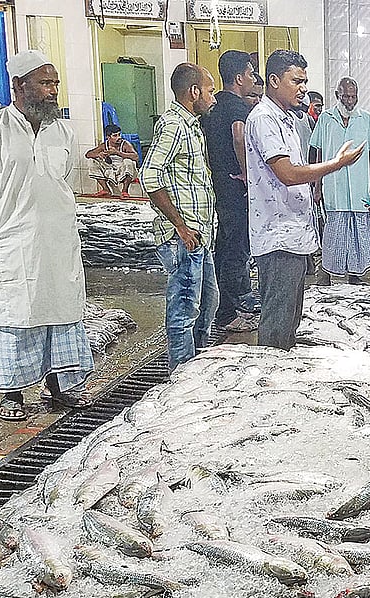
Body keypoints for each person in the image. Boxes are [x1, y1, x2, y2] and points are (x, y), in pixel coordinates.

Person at [0, 51, 93, 422]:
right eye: (45, 83)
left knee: (59, 313)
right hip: (11, 244)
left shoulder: (63, 131)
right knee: (16, 317)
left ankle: (60, 387)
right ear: (19, 86)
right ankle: (13, 395)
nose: (53, 91)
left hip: (56, 242)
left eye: (55, 83)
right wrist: (5, 220)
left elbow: (62, 179)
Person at [245, 49, 364, 350]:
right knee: (277, 322)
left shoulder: (286, 119)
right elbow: (287, 173)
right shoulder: (264, 119)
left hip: (294, 234)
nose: (303, 88)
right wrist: (336, 164)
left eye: (305, 81)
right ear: (274, 81)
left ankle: (280, 373)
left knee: (289, 320)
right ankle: (266, 382)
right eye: (296, 81)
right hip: (278, 238)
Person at [141, 63, 219, 371]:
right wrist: (180, 226)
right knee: (184, 308)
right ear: (194, 92)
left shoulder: (191, 125)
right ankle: (182, 374)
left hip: (198, 236)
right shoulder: (173, 125)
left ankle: (195, 363)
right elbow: (149, 175)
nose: (213, 98)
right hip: (183, 238)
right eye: (210, 91)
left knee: (208, 301)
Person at [203, 50, 259, 335]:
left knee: (223, 249)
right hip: (234, 188)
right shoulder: (238, 107)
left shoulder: (213, 107)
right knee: (235, 252)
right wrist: (247, 172)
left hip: (219, 185)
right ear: (239, 77)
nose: (252, 78)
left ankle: (224, 308)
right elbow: (239, 136)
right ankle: (227, 313)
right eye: (250, 73)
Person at [311, 76, 370, 283]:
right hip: (334, 186)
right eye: (346, 96)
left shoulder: (366, 119)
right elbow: (319, 152)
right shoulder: (326, 119)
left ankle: (355, 275)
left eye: (354, 96)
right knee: (333, 233)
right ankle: (324, 275)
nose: (350, 101)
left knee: (358, 233)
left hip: (359, 186)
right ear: (337, 96)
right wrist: (317, 186)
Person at [85, 124, 139, 198]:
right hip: (110, 169)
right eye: (115, 135)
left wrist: (117, 153)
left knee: (129, 162)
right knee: (92, 161)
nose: (119, 137)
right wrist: (98, 155)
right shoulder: (104, 145)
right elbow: (88, 154)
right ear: (108, 137)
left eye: (119, 134)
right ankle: (106, 189)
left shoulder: (125, 144)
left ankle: (125, 191)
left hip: (123, 169)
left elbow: (136, 157)